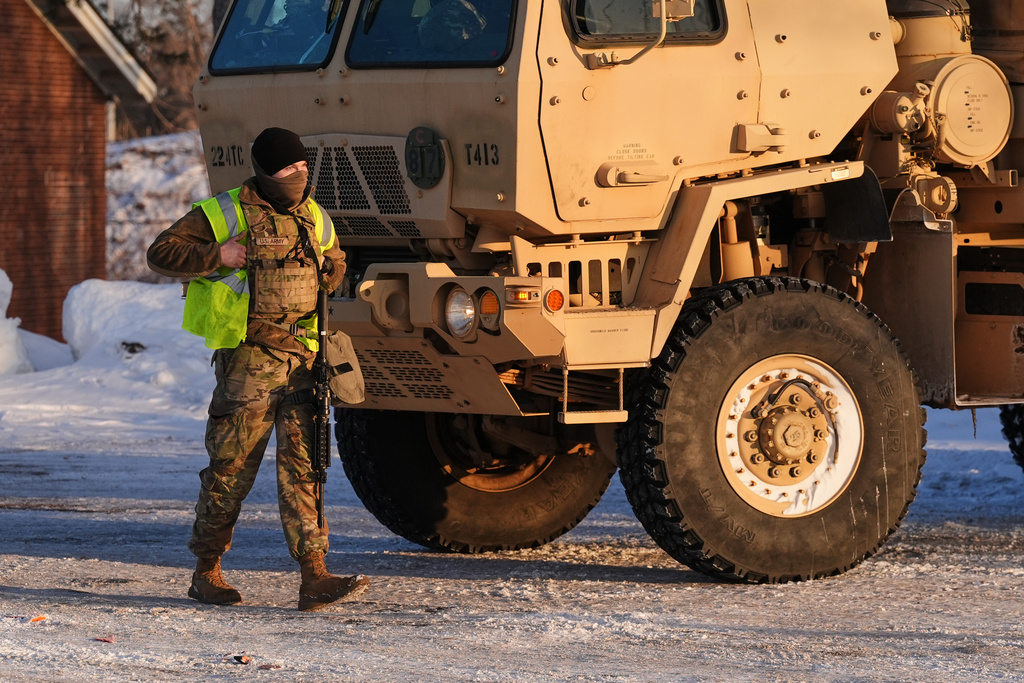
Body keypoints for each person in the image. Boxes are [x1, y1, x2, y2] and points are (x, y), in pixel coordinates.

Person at [147, 127, 369, 611]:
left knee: (305, 470)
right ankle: (206, 572)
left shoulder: (312, 213)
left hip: (304, 362)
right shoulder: (227, 212)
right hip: (249, 363)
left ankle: (315, 576)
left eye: (304, 166)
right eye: (290, 168)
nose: (300, 174)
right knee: (229, 471)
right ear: (267, 171)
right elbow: (161, 252)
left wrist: (334, 270)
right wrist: (216, 255)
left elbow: (335, 256)